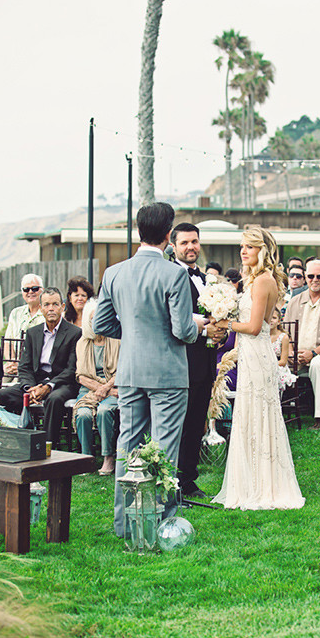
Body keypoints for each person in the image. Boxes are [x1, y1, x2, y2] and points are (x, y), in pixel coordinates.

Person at [93, 202, 204, 535]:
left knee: (127, 446)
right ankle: (162, 523)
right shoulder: (174, 274)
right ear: (169, 235)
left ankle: (125, 524)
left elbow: (101, 323)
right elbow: (183, 331)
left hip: (129, 370)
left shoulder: (113, 273)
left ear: (139, 232)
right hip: (168, 372)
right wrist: (200, 326)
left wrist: (133, 332)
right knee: (165, 448)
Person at [213, 226, 305, 510]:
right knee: (249, 415)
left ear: (262, 250)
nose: (244, 251)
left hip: (257, 355)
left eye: (250, 246)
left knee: (259, 416)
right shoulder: (254, 279)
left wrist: (226, 323)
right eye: (242, 246)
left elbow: (254, 327)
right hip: (250, 354)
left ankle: (264, 485)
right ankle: (249, 480)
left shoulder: (264, 281)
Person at [171, 222, 226, 497]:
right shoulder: (169, 276)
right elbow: (173, 317)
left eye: (194, 241)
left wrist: (220, 331)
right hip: (180, 362)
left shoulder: (206, 279)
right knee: (179, 424)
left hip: (205, 362)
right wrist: (205, 328)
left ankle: (189, 479)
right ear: (173, 246)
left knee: (195, 422)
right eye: (184, 242)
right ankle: (173, 480)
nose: (190, 247)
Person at [0, 288, 81, 448]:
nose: (51, 309)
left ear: (62, 307)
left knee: (53, 399)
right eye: (47, 305)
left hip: (62, 384)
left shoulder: (75, 333)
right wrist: (30, 389)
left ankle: (46, 446)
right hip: (34, 384)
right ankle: (15, 441)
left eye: (55, 304)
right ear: (41, 308)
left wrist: (48, 387)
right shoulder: (33, 333)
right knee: (1, 395)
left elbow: (71, 369)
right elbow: (24, 367)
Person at [284, 258, 320, 430]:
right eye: (311, 276)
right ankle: (275, 415)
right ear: (305, 277)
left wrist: (313, 353)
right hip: (296, 355)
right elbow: (284, 331)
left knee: (319, 364)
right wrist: (290, 351)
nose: (315, 280)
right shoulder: (295, 301)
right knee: (274, 362)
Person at [73, 298, 120, 475]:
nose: (98, 321)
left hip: (114, 388)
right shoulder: (82, 342)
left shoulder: (117, 340)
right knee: (83, 414)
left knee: (104, 411)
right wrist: (104, 388)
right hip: (91, 390)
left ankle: (108, 457)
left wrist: (106, 388)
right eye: (93, 318)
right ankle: (86, 458)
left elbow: (122, 370)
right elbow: (81, 376)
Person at [2, 274, 45, 382]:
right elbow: (8, 342)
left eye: (35, 288)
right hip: (14, 365)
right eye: (26, 289)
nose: (30, 292)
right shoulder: (15, 313)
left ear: (42, 290)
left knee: (14, 387)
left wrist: (21, 366)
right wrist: (12, 361)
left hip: (37, 368)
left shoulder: (48, 314)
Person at [269, 307, 296, 393]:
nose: (271, 320)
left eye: (274, 318)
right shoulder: (262, 336)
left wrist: (269, 365)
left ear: (278, 321)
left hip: (278, 367)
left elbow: (283, 361)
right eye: (269, 317)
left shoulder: (283, 337)